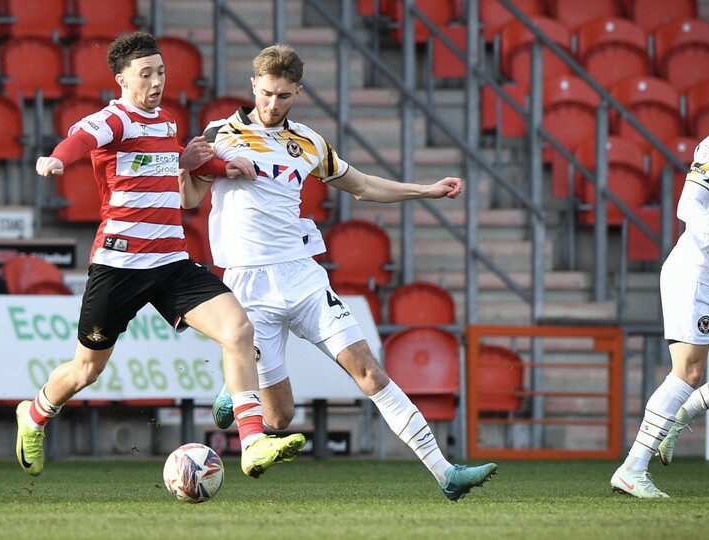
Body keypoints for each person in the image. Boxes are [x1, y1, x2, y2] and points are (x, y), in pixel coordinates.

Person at [182, 44, 498, 501]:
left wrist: (427, 190)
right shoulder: (220, 134)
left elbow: (364, 186)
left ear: (298, 93)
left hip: (303, 277)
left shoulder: (308, 143)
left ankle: (445, 473)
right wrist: (186, 168)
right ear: (253, 86)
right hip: (247, 285)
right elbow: (190, 199)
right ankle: (235, 387)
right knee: (281, 418)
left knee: (368, 370)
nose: (273, 104)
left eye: (285, 96)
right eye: (267, 93)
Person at [21, 32, 305, 480]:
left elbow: (166, 159)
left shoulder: (166, 121)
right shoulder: (112, 120)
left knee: (238, 330)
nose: (157, 81)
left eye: (161, 72)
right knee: (86, 369)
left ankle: (252, 443)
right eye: (146, 74)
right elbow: (79, 137)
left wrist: (217, 166)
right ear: (121, 79)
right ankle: (34, 415)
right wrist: (57, 159)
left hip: (171, 262)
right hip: (119, 265)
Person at [610, 74, 709, 498]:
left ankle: (685, 411)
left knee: (690, 380)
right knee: (687, 371)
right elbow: (687, 207)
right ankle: (632, 469)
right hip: (693, 275)